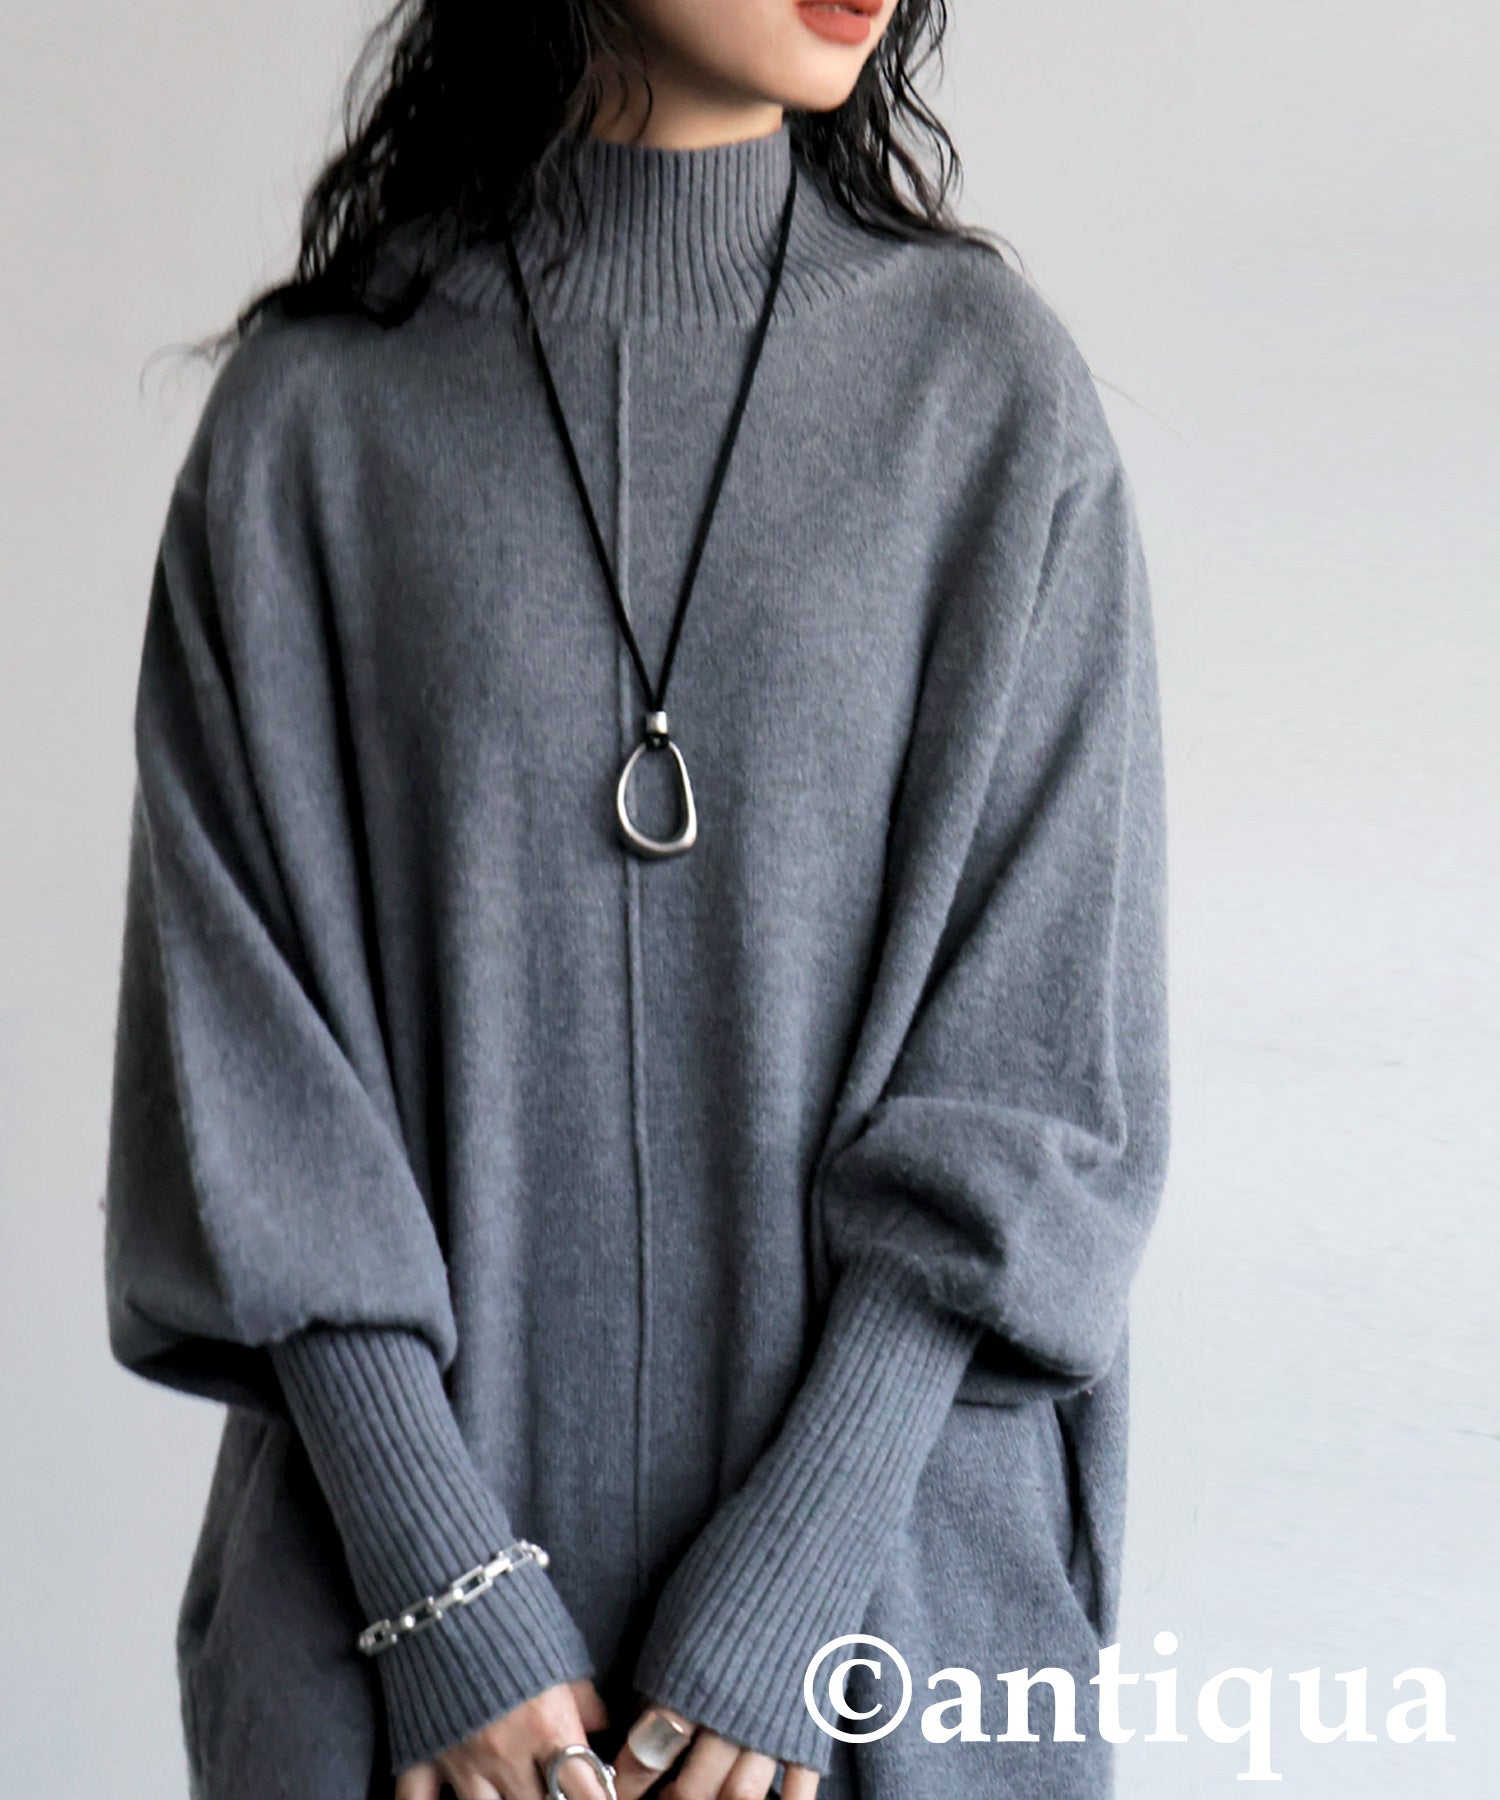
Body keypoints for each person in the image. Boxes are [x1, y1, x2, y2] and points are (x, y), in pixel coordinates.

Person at [102, 2, 1173, 1797]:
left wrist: (794, 1595)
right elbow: (246, 1080)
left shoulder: (988, 397)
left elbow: (1040, 1088)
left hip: (894, 1653)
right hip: (399, 1680)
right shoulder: (316, 418)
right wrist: (444, 1595)